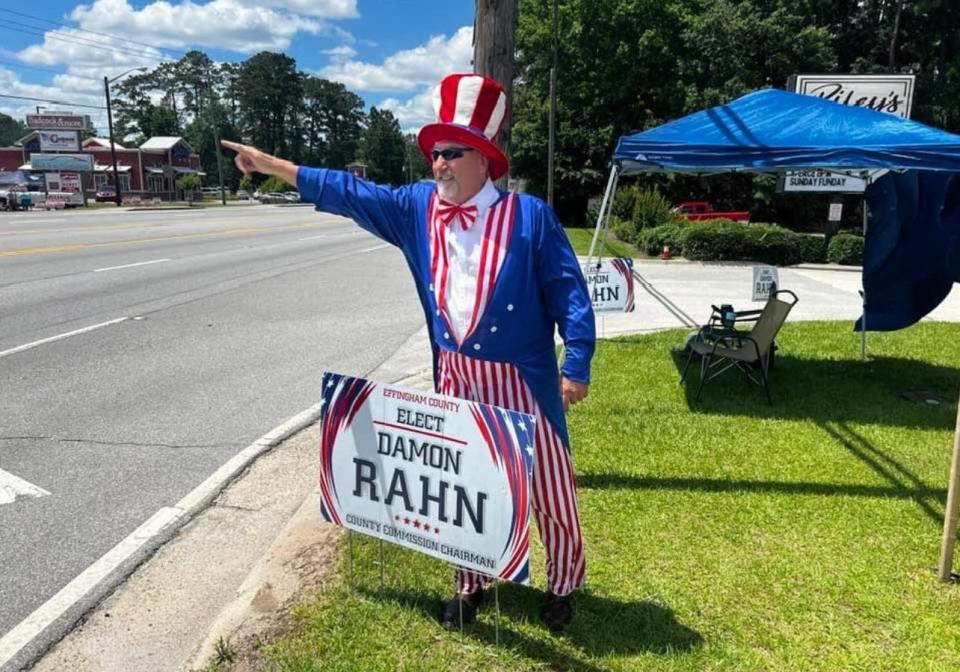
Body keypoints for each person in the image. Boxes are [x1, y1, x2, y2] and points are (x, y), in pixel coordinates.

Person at [222, 72, 595, 633]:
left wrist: (576, 363)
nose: (437, 164)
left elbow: (570, 291)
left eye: (449, 153)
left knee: (548, 485)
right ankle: (471, 585)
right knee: (467, 485)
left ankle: (562, 585)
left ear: (483, 159)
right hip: (457, 376)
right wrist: (275, 165)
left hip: (523, 377)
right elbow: (351, 192)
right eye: (434, 154)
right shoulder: (417, 208)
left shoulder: (530, 216)